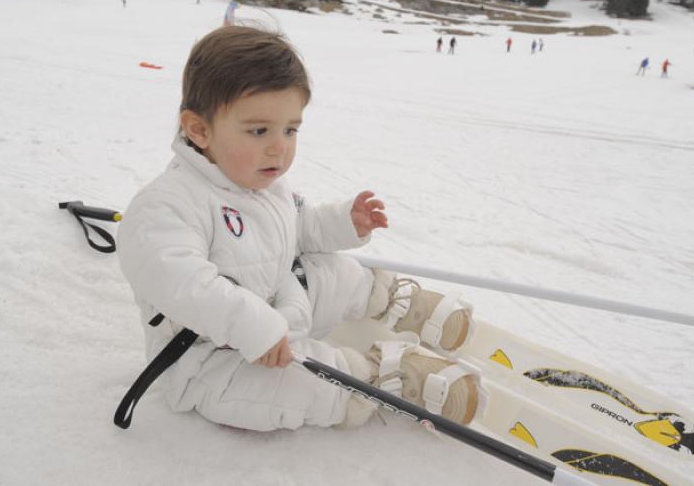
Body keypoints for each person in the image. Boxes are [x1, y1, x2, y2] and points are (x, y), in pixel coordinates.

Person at [117, 26, 482, 433]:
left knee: (331, 270)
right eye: (260, 130)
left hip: (279, 306)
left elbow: (298, 225)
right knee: (299, 388)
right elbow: (187, 286)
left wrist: (344, 222)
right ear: (200, 130)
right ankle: (376, 379)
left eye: (290, 129)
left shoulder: (262, 180)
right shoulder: (165, 208)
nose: (280, 147)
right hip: (212, 358)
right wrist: (252, 326)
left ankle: (392, 302)